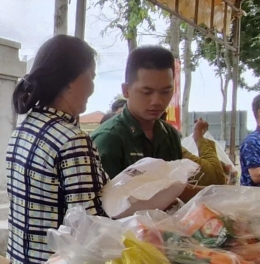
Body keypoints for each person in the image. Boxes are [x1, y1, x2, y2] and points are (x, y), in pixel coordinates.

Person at [4, 35, 107, 264]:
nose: (93, 87)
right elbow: (89, 230)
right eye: (91, 77)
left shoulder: (24, 129)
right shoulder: (72, 141)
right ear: (70, 81)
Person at [92, 46, 227, 188]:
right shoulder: (108, 139)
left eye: (166, 91)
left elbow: (177, 187)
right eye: (147, 92)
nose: (157, 101)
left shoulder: (169, 135)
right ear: (126, 90)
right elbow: (102, 201)